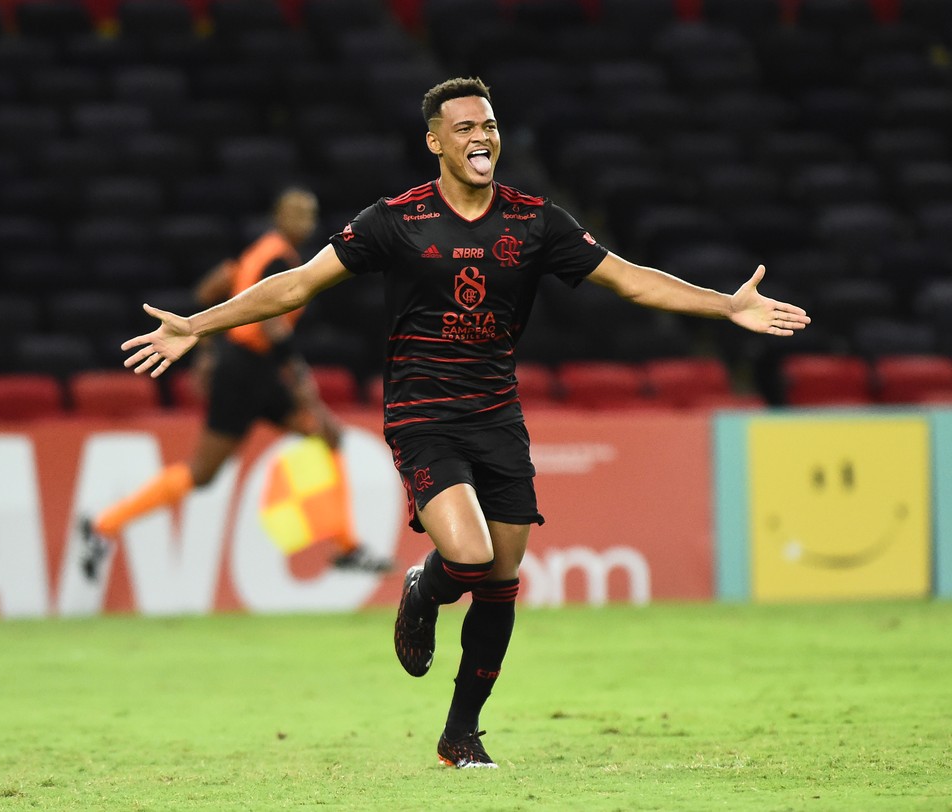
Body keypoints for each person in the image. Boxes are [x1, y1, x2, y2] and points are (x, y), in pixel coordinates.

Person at [116, 78, 811, 768]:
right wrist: (198, 326)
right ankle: (423, 589)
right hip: (422, 414)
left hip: (497, 416)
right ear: (435, 142)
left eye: (489, 125)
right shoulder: (396, 220)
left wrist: (725, 306)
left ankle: (460, 736)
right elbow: (295, 284)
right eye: (465, 128)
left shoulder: (536, 221)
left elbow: (629, 279)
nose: (482, 137)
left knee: (503, 579)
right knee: (470, 557)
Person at [79, 187, 394, 581]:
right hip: (246, 371)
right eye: (296, 212)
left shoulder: (259, 253)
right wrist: (296, 374)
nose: (305, 221)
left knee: (327, 435)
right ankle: (103, 525)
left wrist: (208, 350)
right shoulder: (277, 257)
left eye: (310, 214)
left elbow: (212, 288)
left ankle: (347, 545)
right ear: (278, 217)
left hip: (251, 368)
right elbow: (269, 321)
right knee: (203, 472)